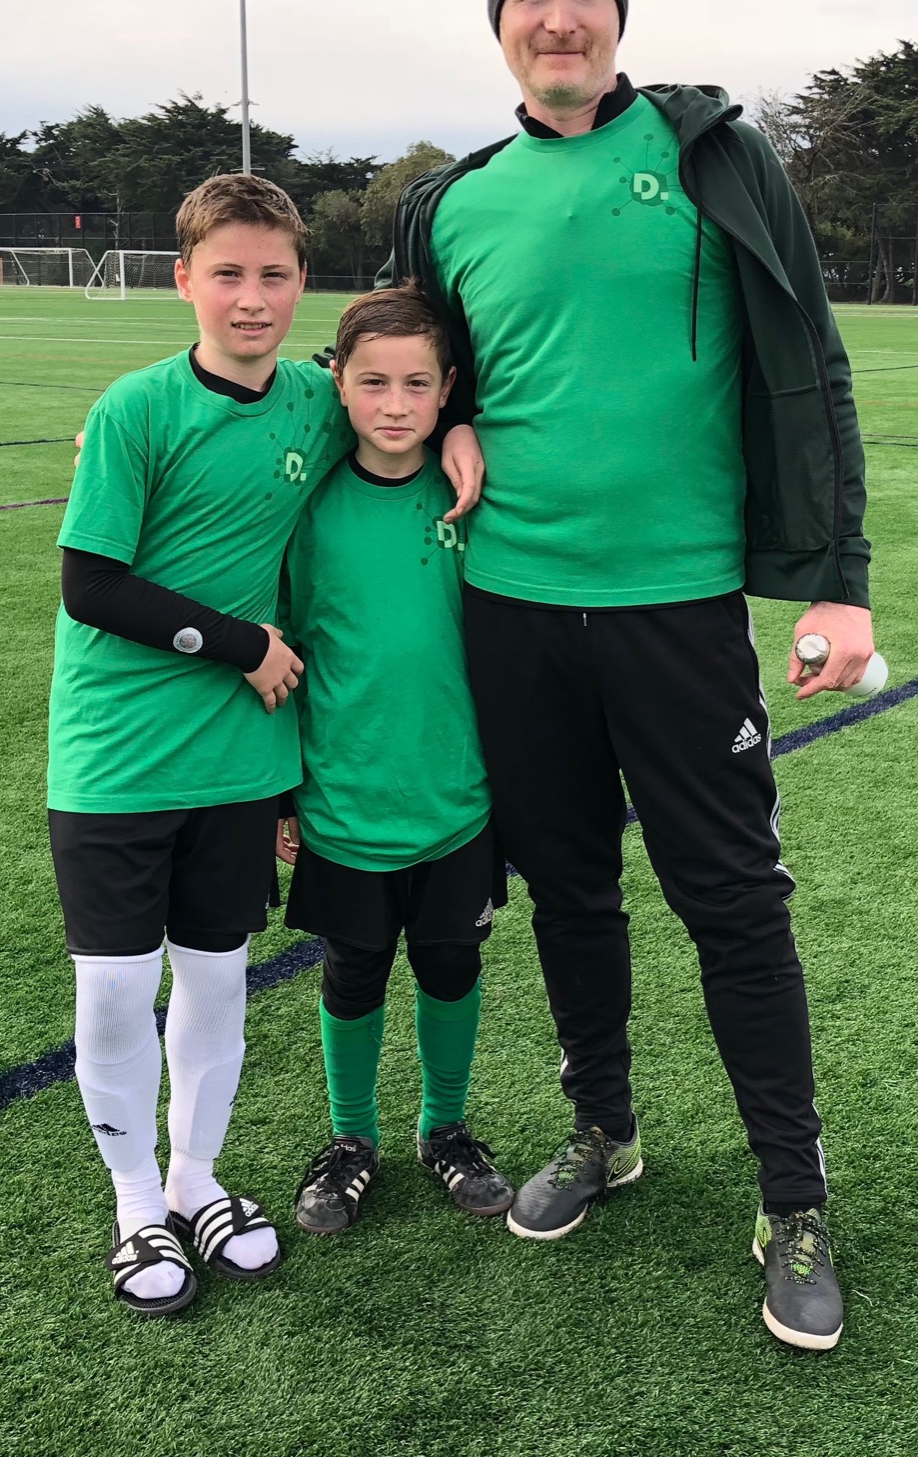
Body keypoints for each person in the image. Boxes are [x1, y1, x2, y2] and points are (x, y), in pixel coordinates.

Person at [381, 0, 875, 1350]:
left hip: (674, 607)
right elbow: (420, 382)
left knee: (730, 898)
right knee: (569, 890)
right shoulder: (447, 203)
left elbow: (810, 362)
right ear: (498, 26)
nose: (558, 17)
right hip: (509, 606)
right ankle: (603, 1125)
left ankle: (792, 1199)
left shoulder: (711, 156)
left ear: (617, 19)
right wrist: (455, 420)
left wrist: (838, 575)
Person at [49, 175, 481, 1316]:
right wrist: (237, 639)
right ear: (182, 278)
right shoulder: (138, 408)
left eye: (274, 274)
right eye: (227, 273)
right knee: (113, 990)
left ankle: (194, 1180)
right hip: (118, 755)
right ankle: (135, 1201)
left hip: (243, 759)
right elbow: (88, 583)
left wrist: (466, 426)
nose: (251, 298)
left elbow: (404, 385)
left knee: (216, 982)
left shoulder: (311, 398)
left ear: (301, 285)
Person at [275, 286, 513, 1235]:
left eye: (419, 383)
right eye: (372, 382)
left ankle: (444, 1128)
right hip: (343, 797)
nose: (396, 404)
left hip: (456, 799)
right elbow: (284, 652)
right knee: (355, 967)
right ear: (338, 383)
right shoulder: (306, 508)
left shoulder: (471, 492)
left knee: (452, 964)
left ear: (448, 389)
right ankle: (350, 1140)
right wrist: (281, 796)